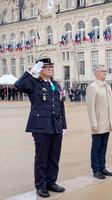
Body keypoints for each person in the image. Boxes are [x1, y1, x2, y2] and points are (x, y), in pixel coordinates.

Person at [14, 58, 67, 198]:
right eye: (47, 67)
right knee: (42, 158)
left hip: (56, 126)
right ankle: (41, 185)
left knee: (54, 157)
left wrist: (64, 126)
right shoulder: (34, 84)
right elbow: (18, 85)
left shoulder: (56, 85)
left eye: (51, 67)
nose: (50, 69)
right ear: (40, 69)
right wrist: (32, 72)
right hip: (41, 128)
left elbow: (61, 106)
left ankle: (51, 182)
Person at [86, 65, 112, 180]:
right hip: (98, 123)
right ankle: (96, 169)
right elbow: (90, 107)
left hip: (107, 122)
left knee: (104, 146)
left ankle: (103, 167)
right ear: (96, 73)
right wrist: (93, 124)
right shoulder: (92, 87)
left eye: (105, 70)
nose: (105, 72)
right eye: (102, 71)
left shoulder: (107, 86)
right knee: (96, 146)